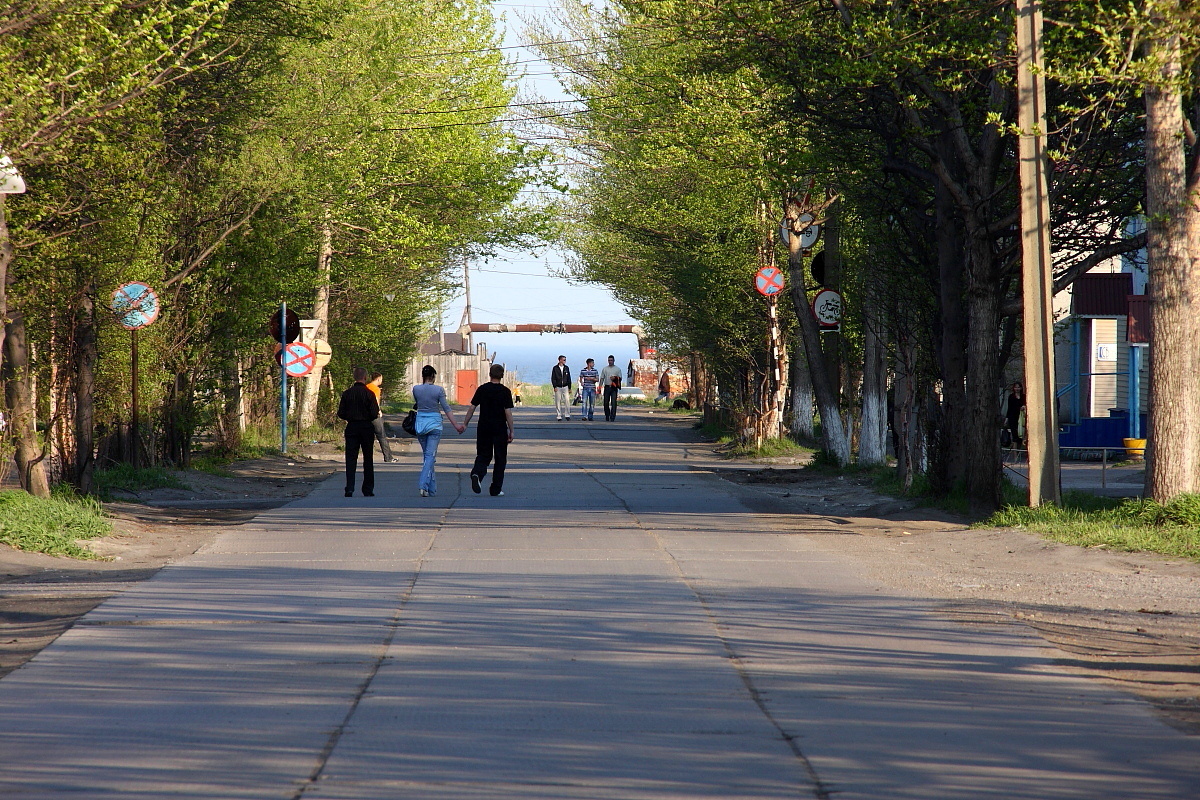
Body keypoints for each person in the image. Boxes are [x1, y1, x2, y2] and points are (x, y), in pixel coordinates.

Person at [462, 363, 515, 497]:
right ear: (502, 376)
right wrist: (511, 430)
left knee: (484, 455)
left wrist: (465, 423)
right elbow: (507, 412)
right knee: (500, 458)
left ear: (489, 374)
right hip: (499, 428)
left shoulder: (482, 389)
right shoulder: (505, 391)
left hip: (483, 427)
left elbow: (472, 408)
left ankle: (477, 474)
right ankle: (496, 489)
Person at [412, 365, 465, 497]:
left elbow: (419, 404)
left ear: (423, 376)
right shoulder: (438, 390)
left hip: (420, 425)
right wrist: (457, 426)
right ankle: (422, 485)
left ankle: (432, 489)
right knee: (430, 456)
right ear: (433, 377)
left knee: (428, 456)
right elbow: (446, 409)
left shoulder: (416, 389)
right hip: (435, 425)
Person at [337, 367, 380, 497]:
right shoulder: (369, 394)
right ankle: (367, 489)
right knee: (368, 458)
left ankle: (349, 488)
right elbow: (374, 413)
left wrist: (350, 417)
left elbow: (341, 413)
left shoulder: (347, 394)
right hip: (366, 427)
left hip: (352, 427)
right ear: (365, 377)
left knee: (351, 458)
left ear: (354, 377)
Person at [366, 372, 395, 463]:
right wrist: (379, 411)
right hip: (374, 415)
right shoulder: (376, 389)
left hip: (365, 415)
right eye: (381, 379)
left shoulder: (366, 387)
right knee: (381, 435)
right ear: (378, 379)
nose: (381, 380)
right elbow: (376, 401)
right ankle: (388, 457)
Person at [599, 354, 622, 421]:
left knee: (613, 402)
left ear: (614, 361)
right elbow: (602, 378)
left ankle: (612, 416)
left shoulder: (617, 369)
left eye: (611, 360)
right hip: (607, 387)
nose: (610, 361)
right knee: (606, 402)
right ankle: (607, 415)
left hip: (614, 387)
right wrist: (600, 387)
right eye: (609, 360)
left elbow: (620, 378)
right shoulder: (605, 369)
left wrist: (615, 378)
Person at [1004, 381, 1025, 448]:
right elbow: (1009, 408)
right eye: (1015, 387)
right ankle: (1015, 455)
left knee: (1021, 436)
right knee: (1014, 436)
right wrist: (1006, 419)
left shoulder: (1024, 396)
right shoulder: (1011, 397)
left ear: (1021, 388)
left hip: (1021, 418)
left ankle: (1020, 452)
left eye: (1018, 387)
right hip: (1013, 418)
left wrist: (1024, 407)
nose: (1017, 389)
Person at [551, 355, 572, 421]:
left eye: (565, 360)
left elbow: (569, 378)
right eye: (563, 360)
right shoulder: (555, 368)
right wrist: (554, 386)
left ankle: (567, 415)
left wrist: (569, 387)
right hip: (558, 387)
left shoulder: (566, 368)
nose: (565, 361)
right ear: (560, 360)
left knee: (567, 400)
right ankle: (559, 415)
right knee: (558, 401)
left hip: (565, 386)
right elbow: (553, 378)